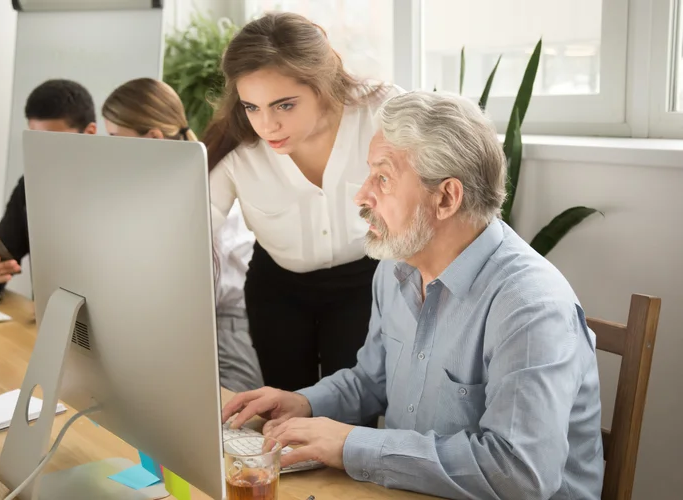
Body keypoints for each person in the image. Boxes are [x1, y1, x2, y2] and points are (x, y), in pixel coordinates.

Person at [222, 91, 604, 499]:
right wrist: (304, 404)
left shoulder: (530, 307)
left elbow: (520, 473)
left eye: (382, 178)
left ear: (445, 198)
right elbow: (372, 380)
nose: (361, 195)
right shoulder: (395, 267)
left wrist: (352, 444)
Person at [203, 12, 403, 392]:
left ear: (322, 85)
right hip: (277, 291)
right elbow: (192, 232)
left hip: (365, 282)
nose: (266, 126)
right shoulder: (237, 148)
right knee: (285, 411)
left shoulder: (383, 112)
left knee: (349, 414)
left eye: (284, 105)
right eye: (252, 107)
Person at [101, 77, 264, 393]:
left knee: (228, 418)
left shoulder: (207, 190)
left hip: (225, 327)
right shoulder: (155, 189)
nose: (110, 148)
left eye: (115, 137)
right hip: (180, 326)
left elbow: (197, 292)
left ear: (152, 137)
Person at [0, 79, 97, 299]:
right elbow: (0, 259)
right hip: (46, 320)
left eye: (52, 141)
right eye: (34, 139)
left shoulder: (117, 188)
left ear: (90, 133)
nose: (42, 152)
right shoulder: (30, 185)